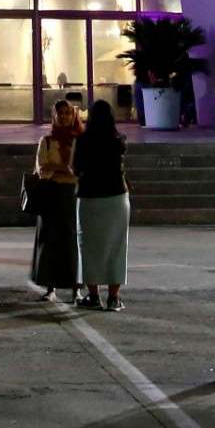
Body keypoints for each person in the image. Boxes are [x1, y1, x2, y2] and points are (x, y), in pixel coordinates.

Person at [75, 98, 129, 310]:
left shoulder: (83, 140)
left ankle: (93, 295)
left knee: (89, 247)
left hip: (90, 197)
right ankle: (114, 298)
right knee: (117, 245)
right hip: (116, 197)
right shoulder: (119, 140)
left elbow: (76, 168)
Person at [30, 100, 83, 303]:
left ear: (73, 115)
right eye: (60, 113)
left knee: (72, 242)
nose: (64, 116)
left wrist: (58, 168)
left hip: (72, 195)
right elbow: (42, 169)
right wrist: (64, 170)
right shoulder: (47, 141)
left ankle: (75, 288)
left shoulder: (79, 140)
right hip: (51, 194)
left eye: (67, 113)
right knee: (49, 240)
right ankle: (50, 287)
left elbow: (80, 170)